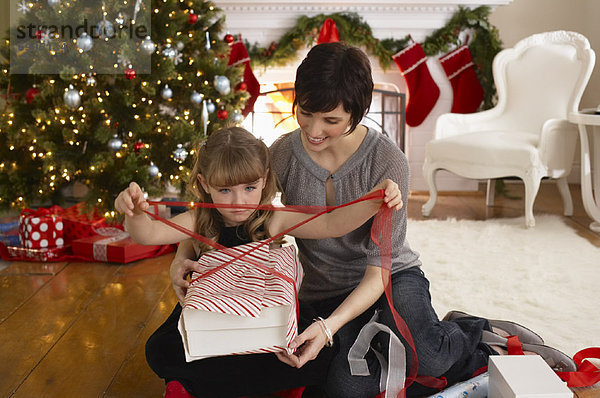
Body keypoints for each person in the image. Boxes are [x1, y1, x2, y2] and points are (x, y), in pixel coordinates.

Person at [170, 42, 576, 398]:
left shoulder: (388, 162)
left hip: (390, 279)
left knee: (430, 357)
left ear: (358, 113)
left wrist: (328, 330)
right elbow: (228, 216)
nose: (313, 130)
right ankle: (401, 341)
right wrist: (180, 256)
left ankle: (476, 334)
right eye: (306, 113)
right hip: (322, 292)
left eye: (330, 120)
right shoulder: (281, 154)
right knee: (344, 387)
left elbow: (378, 273)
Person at [114, 126, 402, 398]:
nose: (239, 201)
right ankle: (238, 384)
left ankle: (206, 385)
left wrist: (374, 200)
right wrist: (134, 213)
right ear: (204, 183)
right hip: (212, 322)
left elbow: (331, 224)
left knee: (320, 353)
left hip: (263, 318)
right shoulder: (200, 221)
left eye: (249, 187)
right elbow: (149, 233)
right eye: (225, 190)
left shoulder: (273, 218)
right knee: (159, 351)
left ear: (265, 179)